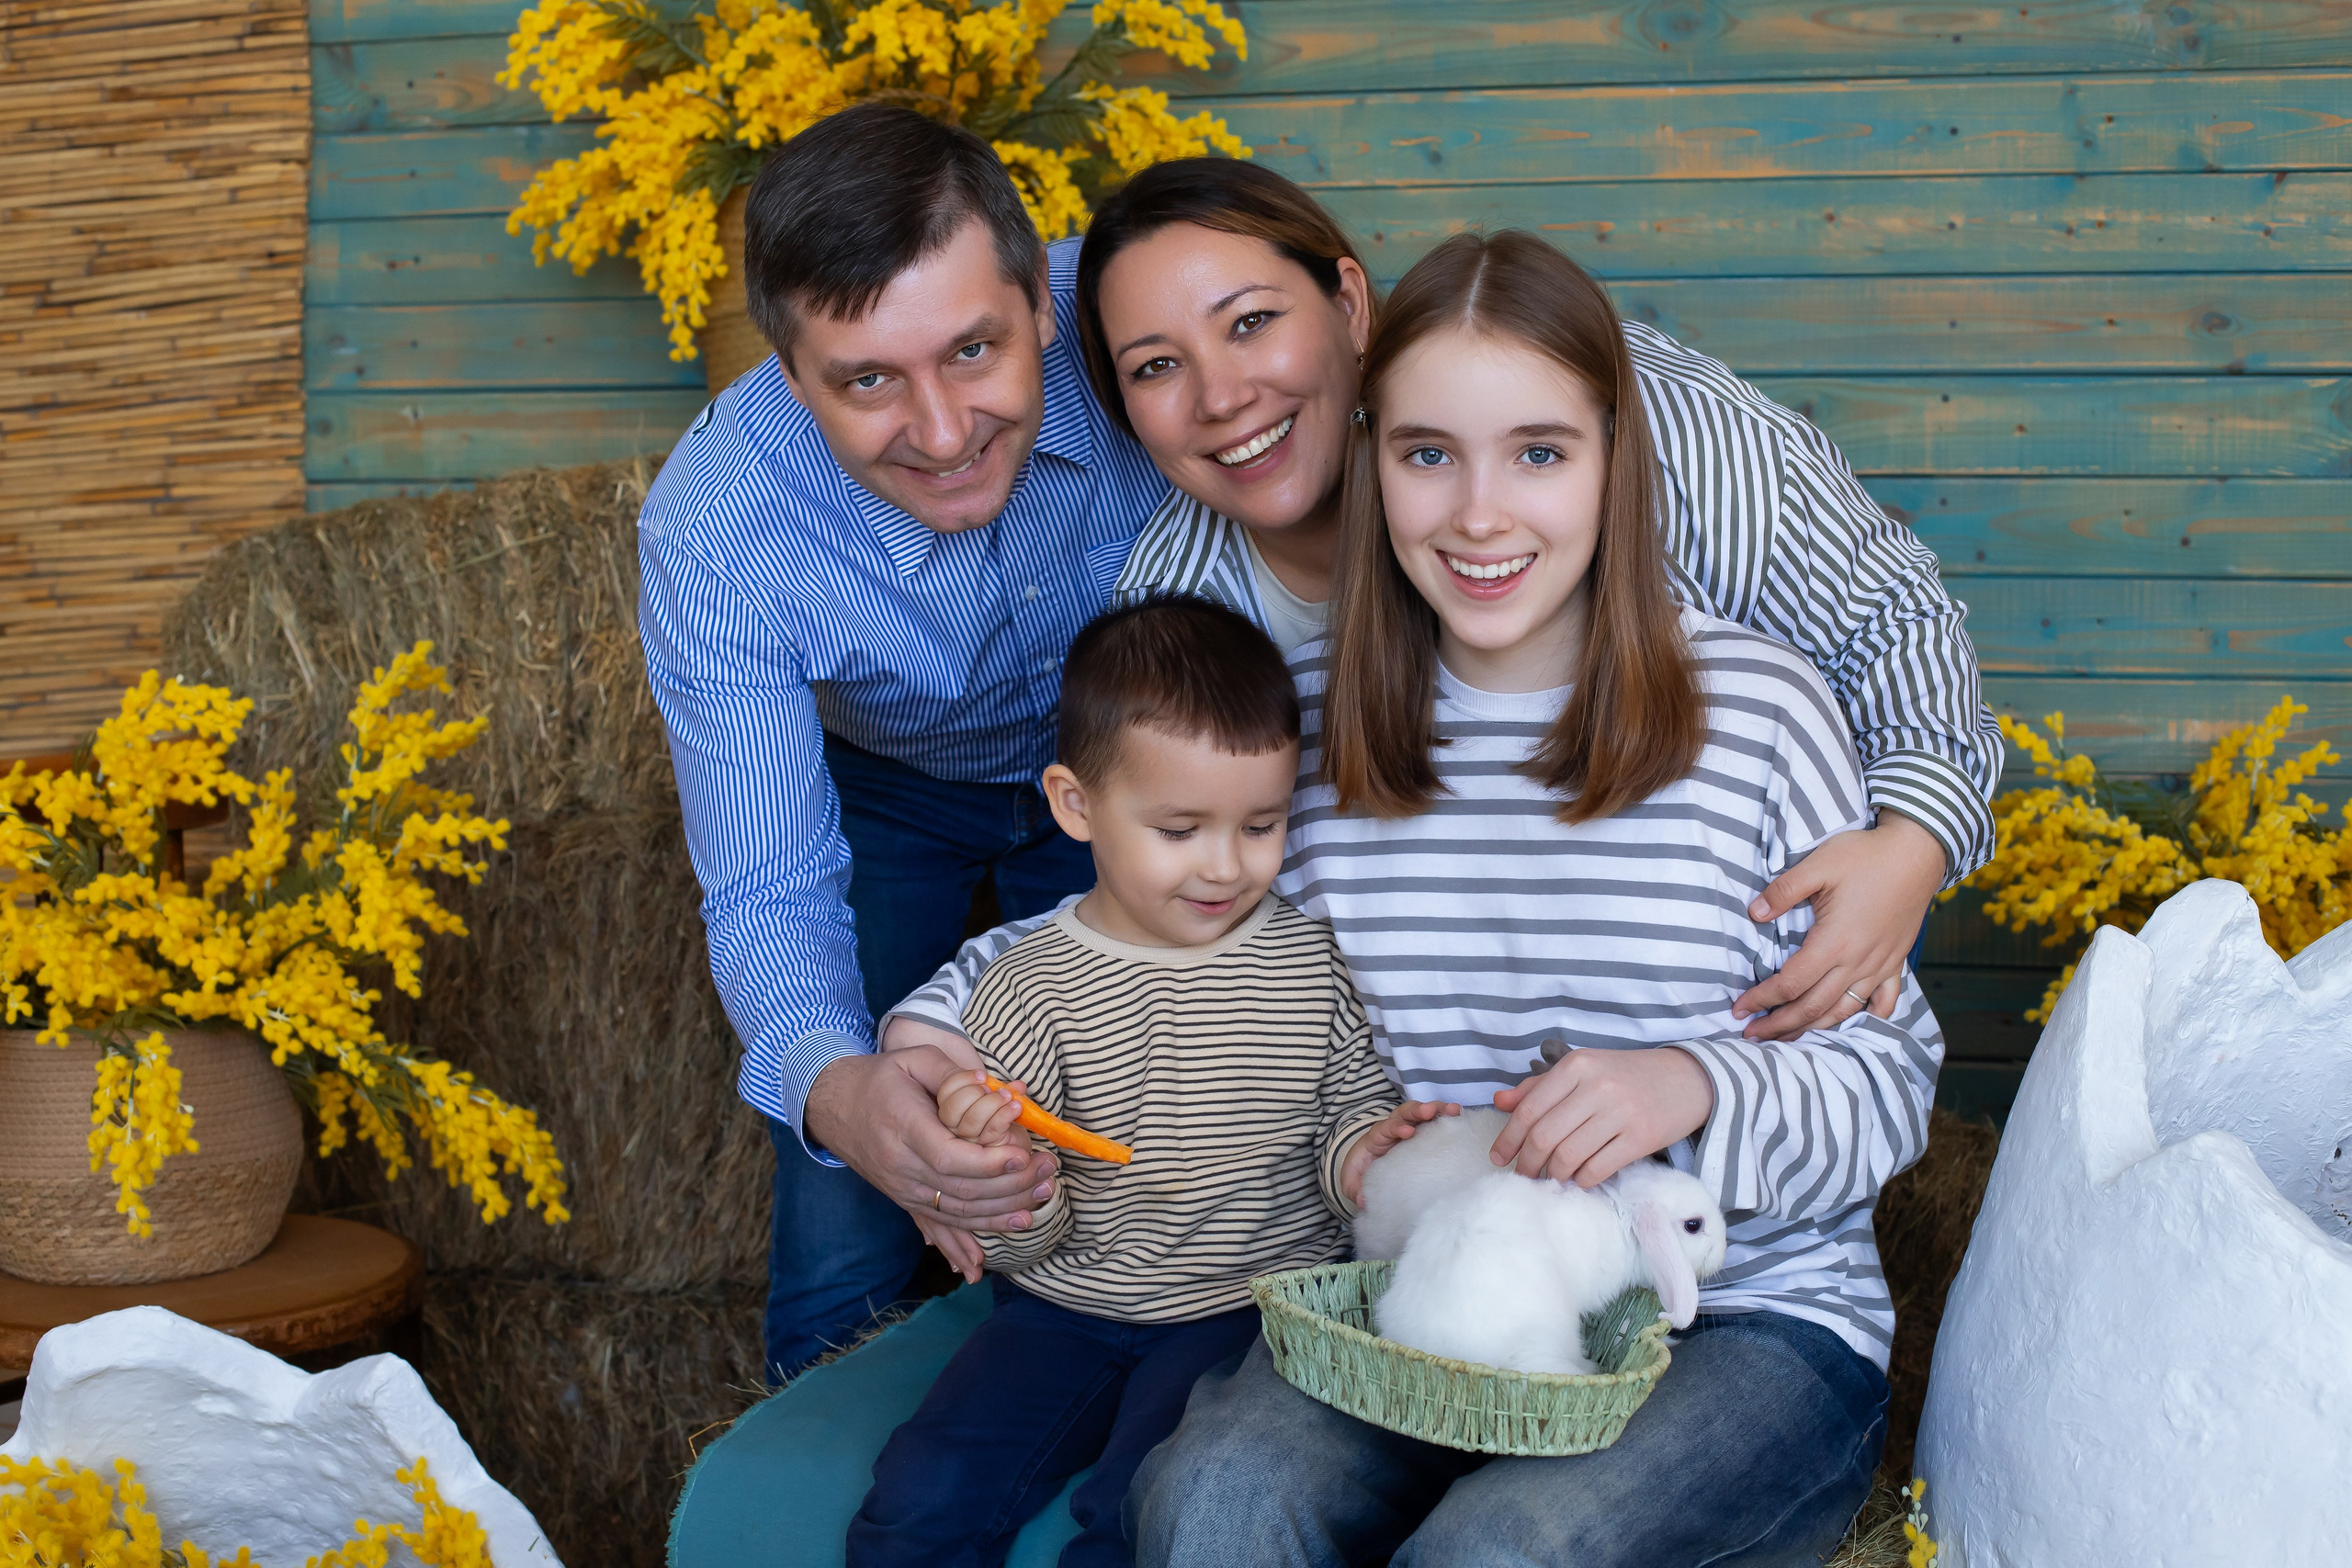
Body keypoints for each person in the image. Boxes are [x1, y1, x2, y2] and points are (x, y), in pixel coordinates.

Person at [1124, 231, 1939, 1566]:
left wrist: (1693, 1082)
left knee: (1496, 1553)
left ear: (1615, 460)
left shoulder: (1758, 715)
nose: (1480, 514)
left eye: (1540, 453)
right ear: (1373, 459)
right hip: (1426, 1307)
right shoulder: (1307, 725)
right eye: (1428, 453)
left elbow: (1888, 1079)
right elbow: (1256, 1044)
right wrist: (1338, 1147)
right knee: (1213, 1501)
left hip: (1737, 1320)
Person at [636, 103, 1170, 1382]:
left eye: (974, 350)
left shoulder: (1154, 333)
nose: (939, 430)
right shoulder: (714, 529)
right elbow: (768, 885)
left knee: (1147, 1178)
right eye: (867, 379)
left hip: (1133, 776)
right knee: (846, 1232)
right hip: (887, 790)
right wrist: (839, 1090)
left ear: (1046, 299)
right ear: (786, 369)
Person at [848, 597, 1430, 1568]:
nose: (1225, 865)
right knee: (921, 1492)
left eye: (1261, 824)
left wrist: (1367, 1155)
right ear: (1076, 806)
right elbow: (1030, 1236)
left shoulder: (1309, 963)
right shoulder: (1027, 990)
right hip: (1062, 1306)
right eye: (1179, 828)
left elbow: (1347, 1110)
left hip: (1247, 1311)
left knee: (1138, 1510)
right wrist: (1006, 1171)